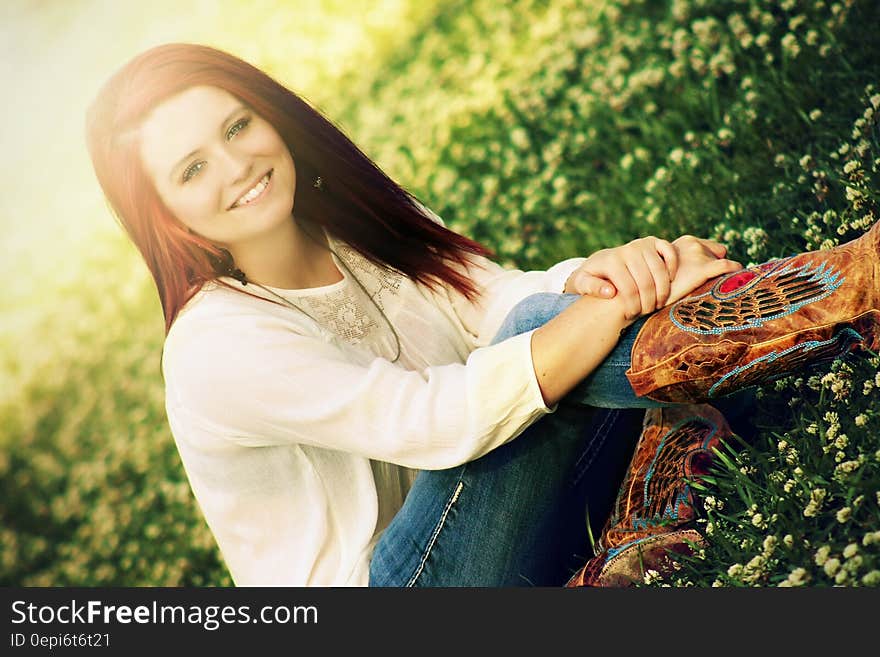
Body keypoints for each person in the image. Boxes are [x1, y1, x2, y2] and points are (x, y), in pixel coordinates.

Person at [85, 43, 879, 586]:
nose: (238, 166)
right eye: (193, 169)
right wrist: (606, 314)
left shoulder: (346, 219)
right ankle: (830, 296)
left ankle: (642, 520)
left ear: (269, 115)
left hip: (486, 533)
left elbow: (494, 297)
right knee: (541, 358)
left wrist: (622, 275)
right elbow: (435, 419)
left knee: (540, 330)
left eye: (237, 126)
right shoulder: (214, 346)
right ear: (168, 218)